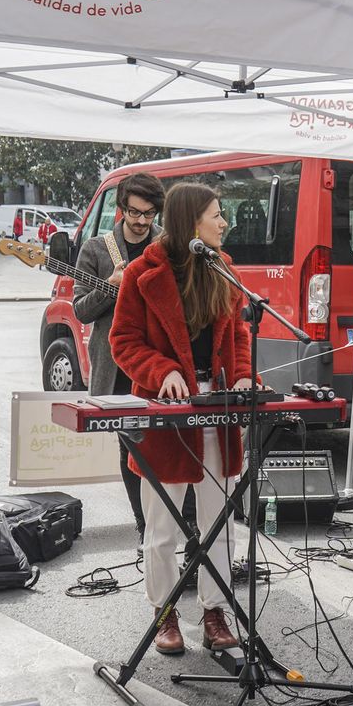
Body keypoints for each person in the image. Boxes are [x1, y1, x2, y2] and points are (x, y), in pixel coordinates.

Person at [108, 181, 251, 656]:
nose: (224, 221)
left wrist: (245, 377)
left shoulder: (223, 270)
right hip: (167, 413)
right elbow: (123, 342)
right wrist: (163, 370)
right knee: (162, 527)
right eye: (217, 214)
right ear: (192, 222)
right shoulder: (140, 273)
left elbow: (241, 338)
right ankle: (165, 609)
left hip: (219, 406)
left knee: (218, 522)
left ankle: (214, 610)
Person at [73, 173, 163, 541]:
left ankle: (174, 523)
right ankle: (146, 527)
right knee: (132, 446)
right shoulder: (96, 249)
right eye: (134, 212)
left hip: (161, 363)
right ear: (121, 208)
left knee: (167, 445)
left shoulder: (166, 245)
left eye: (149, 214)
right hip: (119, 364)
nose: (142, 221)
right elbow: (80, 310)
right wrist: (110, 287)